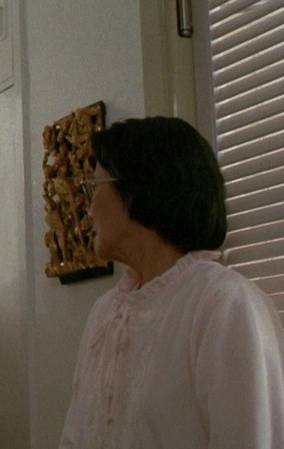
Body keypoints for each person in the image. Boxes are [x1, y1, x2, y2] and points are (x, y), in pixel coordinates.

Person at [59, 116, 284, 448]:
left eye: (95, 186)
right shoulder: (104, 313)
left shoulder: (224, 302)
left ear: (137, 189)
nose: (88, 210)